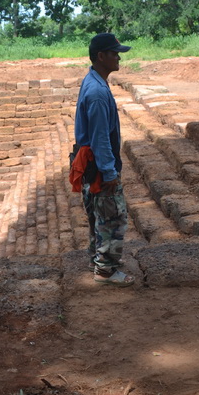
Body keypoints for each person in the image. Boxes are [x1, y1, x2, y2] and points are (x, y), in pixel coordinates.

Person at [73, 33, 135, 287]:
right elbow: (100, 139)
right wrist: (109, 172)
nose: (118, 57)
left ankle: (97, 260)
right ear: (101, 56)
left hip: (90, 164)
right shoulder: (98, 92)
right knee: (113, 217)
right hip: (99, 166)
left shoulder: (93, 82)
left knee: (99, 216)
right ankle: (106, 269)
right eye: (114, 53)